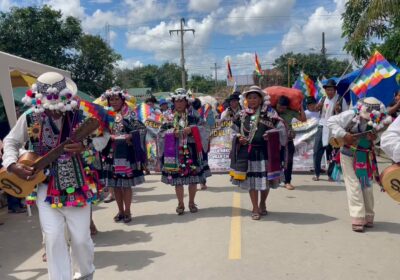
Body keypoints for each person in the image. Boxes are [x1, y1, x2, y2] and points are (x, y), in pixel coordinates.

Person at [2, 72, 110, 280]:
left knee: (81, 239)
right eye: (47, 106)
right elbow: (11, 141)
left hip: (77, 184)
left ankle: (85, 274)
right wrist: (12, 165)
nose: (52, 110)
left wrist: (85, 146)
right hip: (44, 185)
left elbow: (103, 136)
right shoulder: (31, 116)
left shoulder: (81, 115)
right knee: (52, 239)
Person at [327, 97, 392, 232]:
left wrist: (375, 139)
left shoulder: (379, 119)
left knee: (366, 184)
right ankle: (357, 216)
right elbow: (331, 121)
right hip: (347, 152)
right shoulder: (351, 114)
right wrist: (344, 134)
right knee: (354, 185)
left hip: (365, 154)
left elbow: (381, 135)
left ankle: (368, 215)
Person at [230, 86, 286, 220]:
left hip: (265, 153)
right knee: (252, 182)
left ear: (261, 99)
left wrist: (272, 135)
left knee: (264, 182)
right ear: (246, 100)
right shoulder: (241, 115)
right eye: (249, 97)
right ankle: (255, 207)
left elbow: (281, 130)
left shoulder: (270, 114)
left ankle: (263, 203)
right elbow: (232, 130)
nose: (252, 100)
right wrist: (238, 137)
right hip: (248, 153)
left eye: (255, 97)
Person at [158, 88, 210, 215]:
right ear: (173, 103)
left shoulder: (194, 116)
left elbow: (205, 129)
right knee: (178, 180)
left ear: (187, 102)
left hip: (191, 151)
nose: (179, 104)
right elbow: (160, 133)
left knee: (193, 179)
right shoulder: (168, 118)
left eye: (182, 101)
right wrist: (172, 133)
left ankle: (191, 202)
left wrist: (192, 129)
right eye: (177, 101)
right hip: (175, 152)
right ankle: (180, 203)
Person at [101, 87, 147, 223]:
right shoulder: (106, 114)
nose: (114, 102)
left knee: (126, 185)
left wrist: (130, 136)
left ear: (122, 99)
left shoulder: (130, 114)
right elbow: (101, 131)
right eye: (111, 99)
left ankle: (128, 211)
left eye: (116, 99)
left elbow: (142, 130)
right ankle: (120, 210)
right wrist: (107, 136)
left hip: (127, 153)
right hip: (111, 153)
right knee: (115, 185)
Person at [313, 79, 348, 181]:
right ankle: (317, 173)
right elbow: (316, 109)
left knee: (333, 152)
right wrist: (317, 107)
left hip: (334, 128)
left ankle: (331, 175)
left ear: (335, 90)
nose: (330, 92)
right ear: (325, 90)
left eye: (332, 90)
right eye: (328, 90)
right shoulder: (323, 99)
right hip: (322, 126)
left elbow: (345, 116)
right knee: (317, 151)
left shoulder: (341, 100)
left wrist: (338, 110)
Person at [275, 96, 306, 190]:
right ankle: (275, 179)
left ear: (287, 107)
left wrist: (301, 107)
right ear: (276, 104)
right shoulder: (272, 111)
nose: (281, 109)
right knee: (276, 160)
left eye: (283, 108)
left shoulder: (291, 112)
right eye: (279, 107)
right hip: (274, 140)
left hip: (288, 139)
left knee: (288, 161)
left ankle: (287, 181)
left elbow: (303, 119)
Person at [192, 98, 214, 190]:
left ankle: (199, 183)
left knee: (197, 162)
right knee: (200, 161)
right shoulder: (206, 112)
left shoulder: (200, 113)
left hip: (198, 141)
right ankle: (201, 183)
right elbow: (211, 124)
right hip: (199, 140)